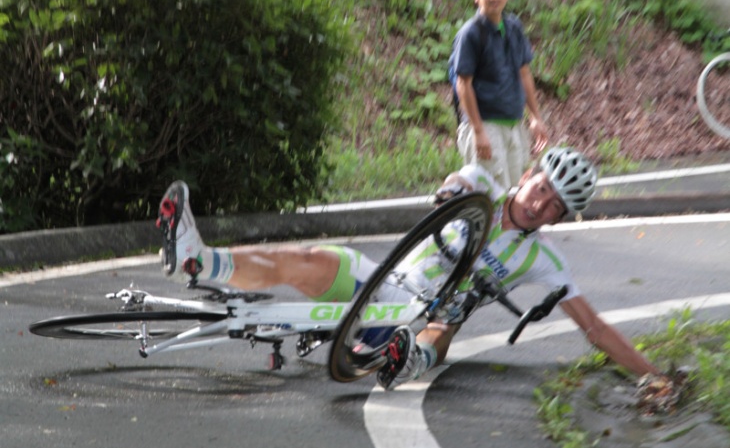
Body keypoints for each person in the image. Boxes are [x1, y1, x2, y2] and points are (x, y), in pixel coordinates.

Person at [157, 147, 661, 391]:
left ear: (560, 218)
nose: (541, 204)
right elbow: (453, 183)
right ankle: (199, 260)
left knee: (450, 318)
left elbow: (593, 327)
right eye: (542, 188)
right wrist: (450, 196)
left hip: (421, 318)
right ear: (528, 176)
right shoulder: (482, 184)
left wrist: (653, 376)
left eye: (555, 206)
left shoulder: (543, 259)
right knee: (308, 259)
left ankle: (407, 361)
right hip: (381, 279)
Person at [448, 0, 548, 189]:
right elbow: (463, 84)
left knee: (517, 192)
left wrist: (535, 117)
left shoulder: (514, 27)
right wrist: (478, 131)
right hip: (485, 125)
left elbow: (524, 73)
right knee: (491, 194)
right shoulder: (470, 34)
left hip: (513, 123)